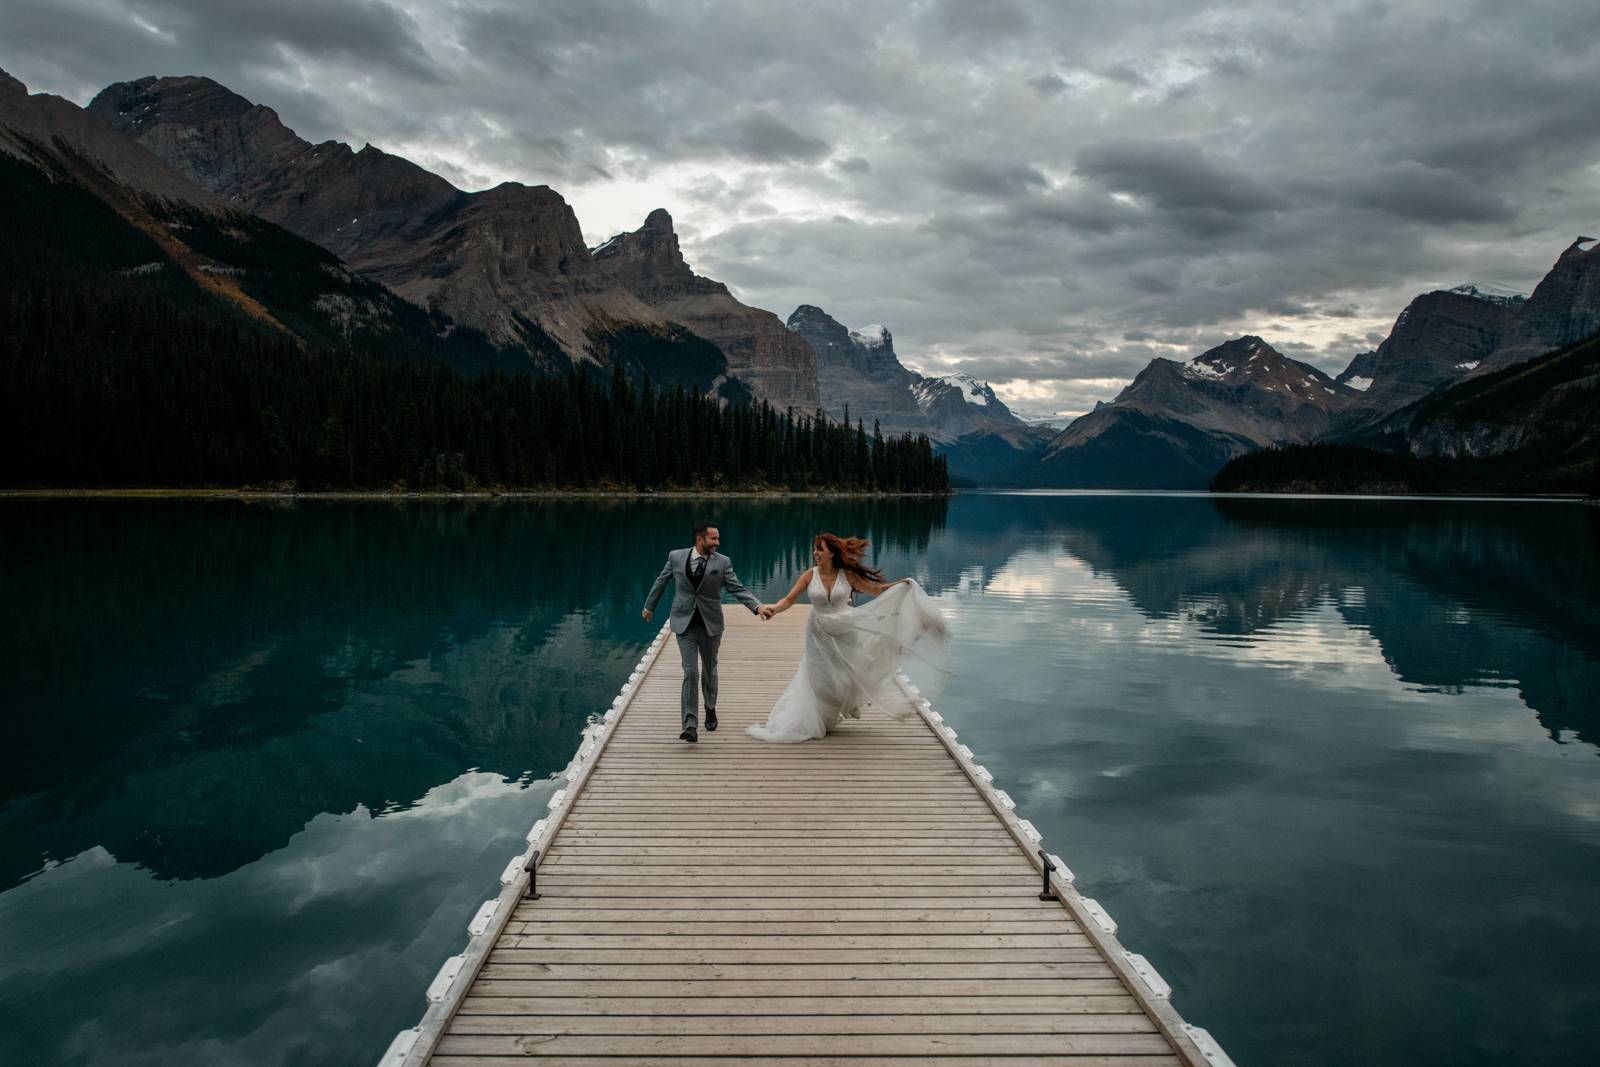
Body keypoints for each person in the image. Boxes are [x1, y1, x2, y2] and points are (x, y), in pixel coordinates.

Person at [748, 533, 949, 743]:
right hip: (817, 632)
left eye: (820, 549)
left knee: (846, 674)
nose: (815, 553)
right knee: (819, 676)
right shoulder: (810, 575)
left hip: (846, 630)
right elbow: (789, 599)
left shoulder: (847, 575)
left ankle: (846, 703)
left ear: (832, 553)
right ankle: (821, 719)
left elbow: (876, 590)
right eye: (815, 549)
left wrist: (900, 584)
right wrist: (774, 609)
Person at [642, 520, 764, 743]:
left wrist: (757, 606)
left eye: (717, 538)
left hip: (711, 624)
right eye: (714, 538)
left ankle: (710, 707)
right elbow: (661, 581)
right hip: (683, 624)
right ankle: (690, 725)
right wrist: (649, 606)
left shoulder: (722, 562)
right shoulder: (675, 557)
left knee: (709, 669)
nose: (718, 542)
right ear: (700, 539)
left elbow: (737, 587)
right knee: (690, 672)